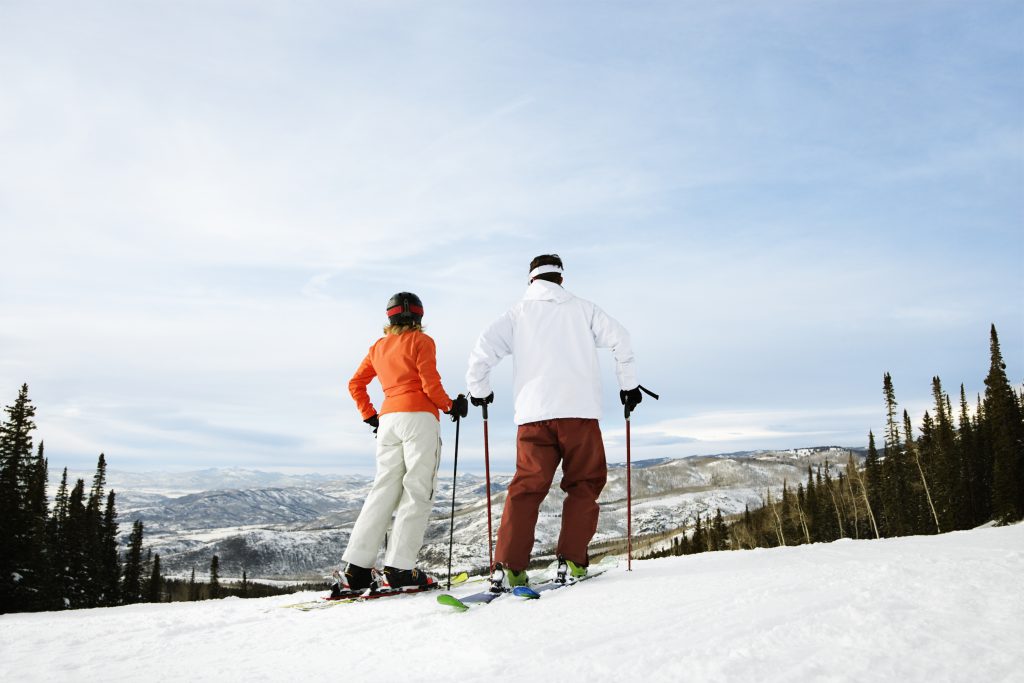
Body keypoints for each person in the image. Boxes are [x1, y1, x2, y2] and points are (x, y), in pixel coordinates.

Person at [465, 254, 644, 588]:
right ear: (561, 279)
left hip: (533, 416)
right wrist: (628, 385)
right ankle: (572, 562)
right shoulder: (584, 309)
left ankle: (508, 566)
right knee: (583, 485)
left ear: (531, 280)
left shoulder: (517, 314)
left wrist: (480, 390)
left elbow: (482, 349)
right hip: (579, 414)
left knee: (526, 488)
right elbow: (621, 339)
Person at [336, 291, 468, 594]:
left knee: (383, 490)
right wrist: (450, 406)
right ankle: (399, 570)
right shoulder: (422, 341)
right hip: (419, 419)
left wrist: (371, 417)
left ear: (390, 317)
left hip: (389, 421)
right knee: (418, 491)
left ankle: (356, 570)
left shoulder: (378, 347)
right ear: (419, 317)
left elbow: (355, 384)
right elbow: (428, 382)